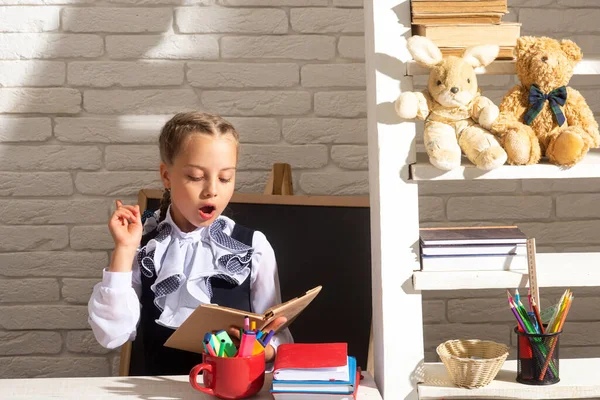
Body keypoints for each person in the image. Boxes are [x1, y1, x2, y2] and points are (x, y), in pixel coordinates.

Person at [88, 112, 292, 375]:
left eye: (225, 178)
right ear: (166, 176)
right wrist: (124, 250)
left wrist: (266, 351)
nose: (212, 190)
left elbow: (279, 336)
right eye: (196, 177)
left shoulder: (253, 246)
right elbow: (111, 335)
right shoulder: (146, 246)